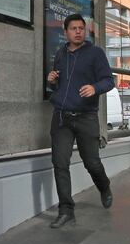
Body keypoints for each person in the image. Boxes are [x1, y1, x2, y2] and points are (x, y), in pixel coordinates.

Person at [47, 14, 114, 228]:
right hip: (61, 117)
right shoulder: (60, 54)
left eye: (81, 28)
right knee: (60, 163)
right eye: (74, 28)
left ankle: (104, 186)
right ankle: (66, 210)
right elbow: (58, 87)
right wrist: (52, 82)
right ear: (65, 32)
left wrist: (95, 87)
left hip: (86, 117)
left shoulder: (95, 53)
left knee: (91, 162)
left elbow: (109, 81)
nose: (78, 31)